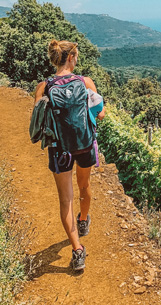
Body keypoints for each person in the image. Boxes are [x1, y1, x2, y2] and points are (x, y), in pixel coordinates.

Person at [34, 40, 105, 271]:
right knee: (84, 187)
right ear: (71, 57)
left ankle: (77, 250)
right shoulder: (85, 82)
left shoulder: (43, 87)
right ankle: (83, 220)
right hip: (84, 145)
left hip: (59, 149)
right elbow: (101, 114)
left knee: (66, 200)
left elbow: (38, 122)